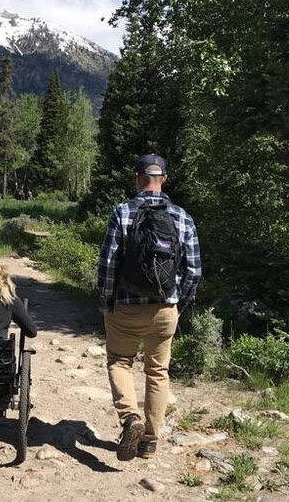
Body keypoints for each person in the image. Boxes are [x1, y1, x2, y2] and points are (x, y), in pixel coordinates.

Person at [98, 154, 202, 461]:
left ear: (137, 178)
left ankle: (130, 419)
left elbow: (108, 263)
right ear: (165, 180)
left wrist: (106, 301)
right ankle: (149, 442)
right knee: (158, 372)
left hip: (126, 308)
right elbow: (194, 270)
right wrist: (178, 304)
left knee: (119, 361)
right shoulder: (183, 217)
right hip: (165, 309)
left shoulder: (123, 212)